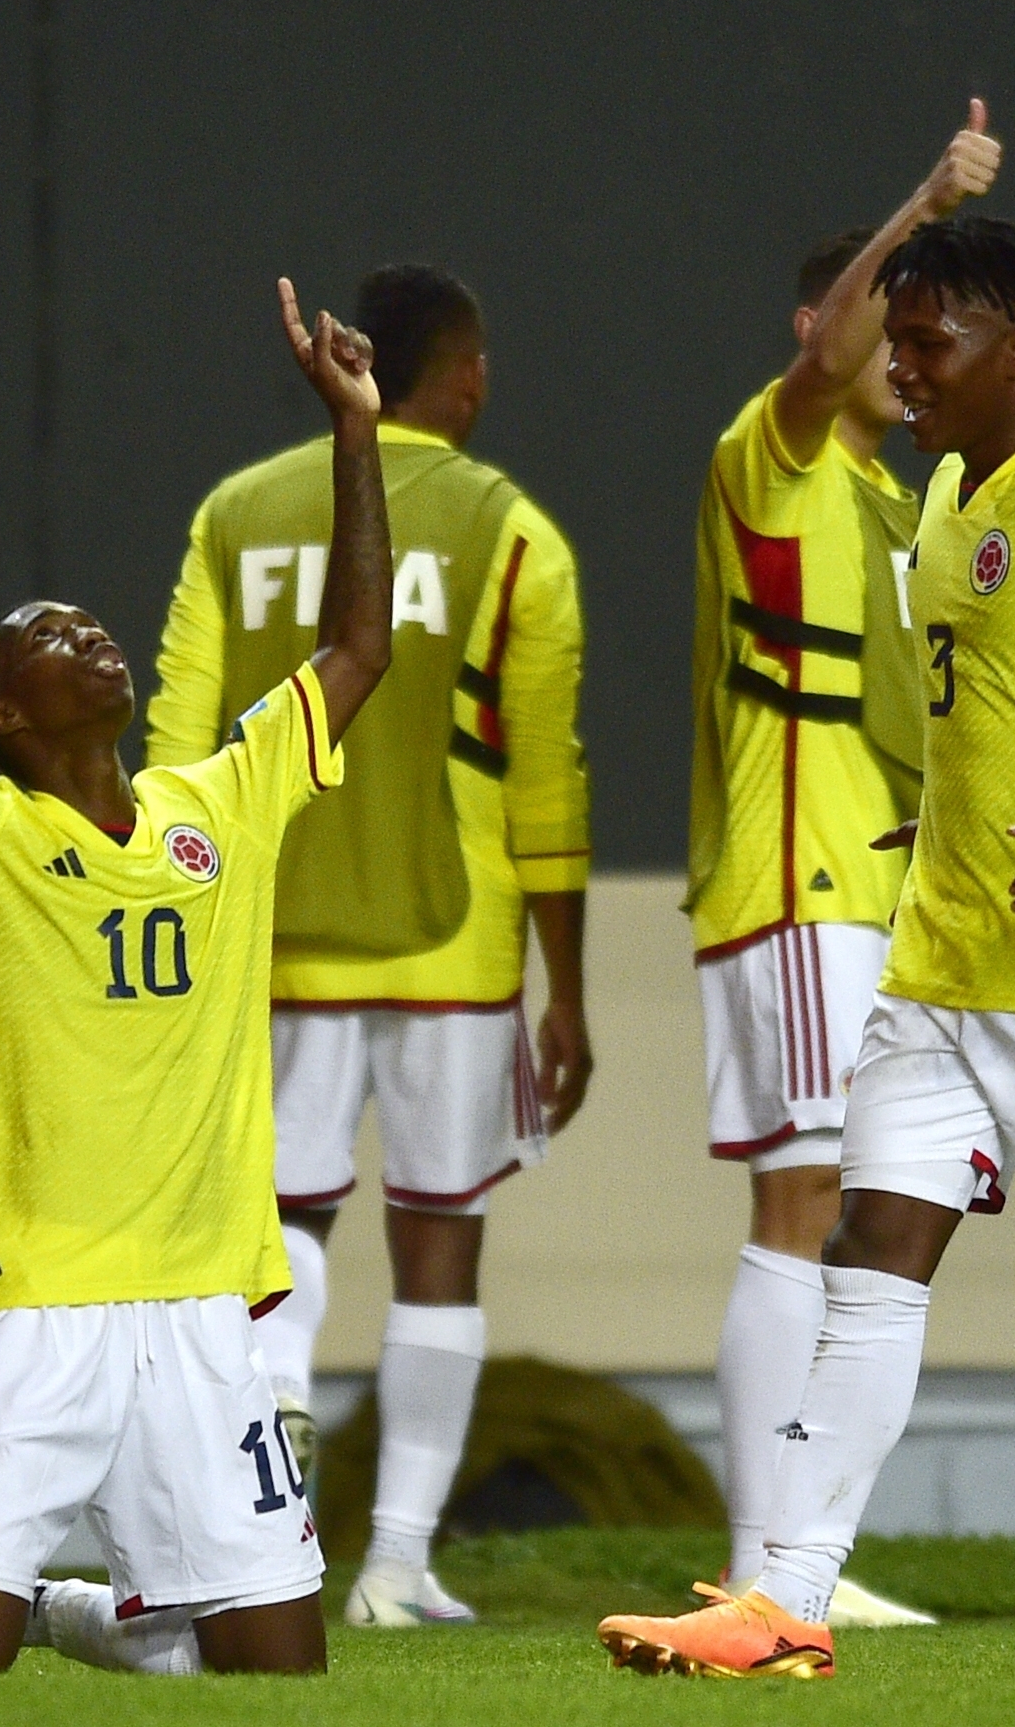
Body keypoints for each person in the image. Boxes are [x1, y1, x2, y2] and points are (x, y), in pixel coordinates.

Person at [597, 215, 1015, 1683]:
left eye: (929, 343)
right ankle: (786, 1596)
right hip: (939, 964)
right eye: (894, 343)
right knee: (872, 1251)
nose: (901, 370)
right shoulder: (942, 495)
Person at [0, 272, 388, 1676]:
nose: (87, 634)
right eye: (47, 635)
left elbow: (358, 649)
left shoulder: (222, 799)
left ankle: (87, 1617)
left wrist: (355, 431)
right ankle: (22, 1605)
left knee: (281, 1673)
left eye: (92, 623)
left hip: (208, 1307)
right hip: (36, 1307)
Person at [145, 263, 594, 1627]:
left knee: (280, 1239)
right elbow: (546, 779)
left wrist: (171, 930)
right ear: (454, 375)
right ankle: (397, 1568)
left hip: (272, 940)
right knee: (441, 1244)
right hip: (452, 948)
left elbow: (176, 739)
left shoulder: (237, 513)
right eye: (482, 364)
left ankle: (270, 1544)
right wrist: (566, 987)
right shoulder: (511, 528)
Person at [689, 101, 998, 1628]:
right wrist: (928, 196)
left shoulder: (905, 499)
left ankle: (797, 1552)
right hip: (797, 882)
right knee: (799, 1202)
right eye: (893, 316)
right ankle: (763, 1562)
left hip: (877, 897)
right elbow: (819, 366)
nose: (905, 349)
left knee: (860, 1207)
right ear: (831, 321)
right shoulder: (780, 451)